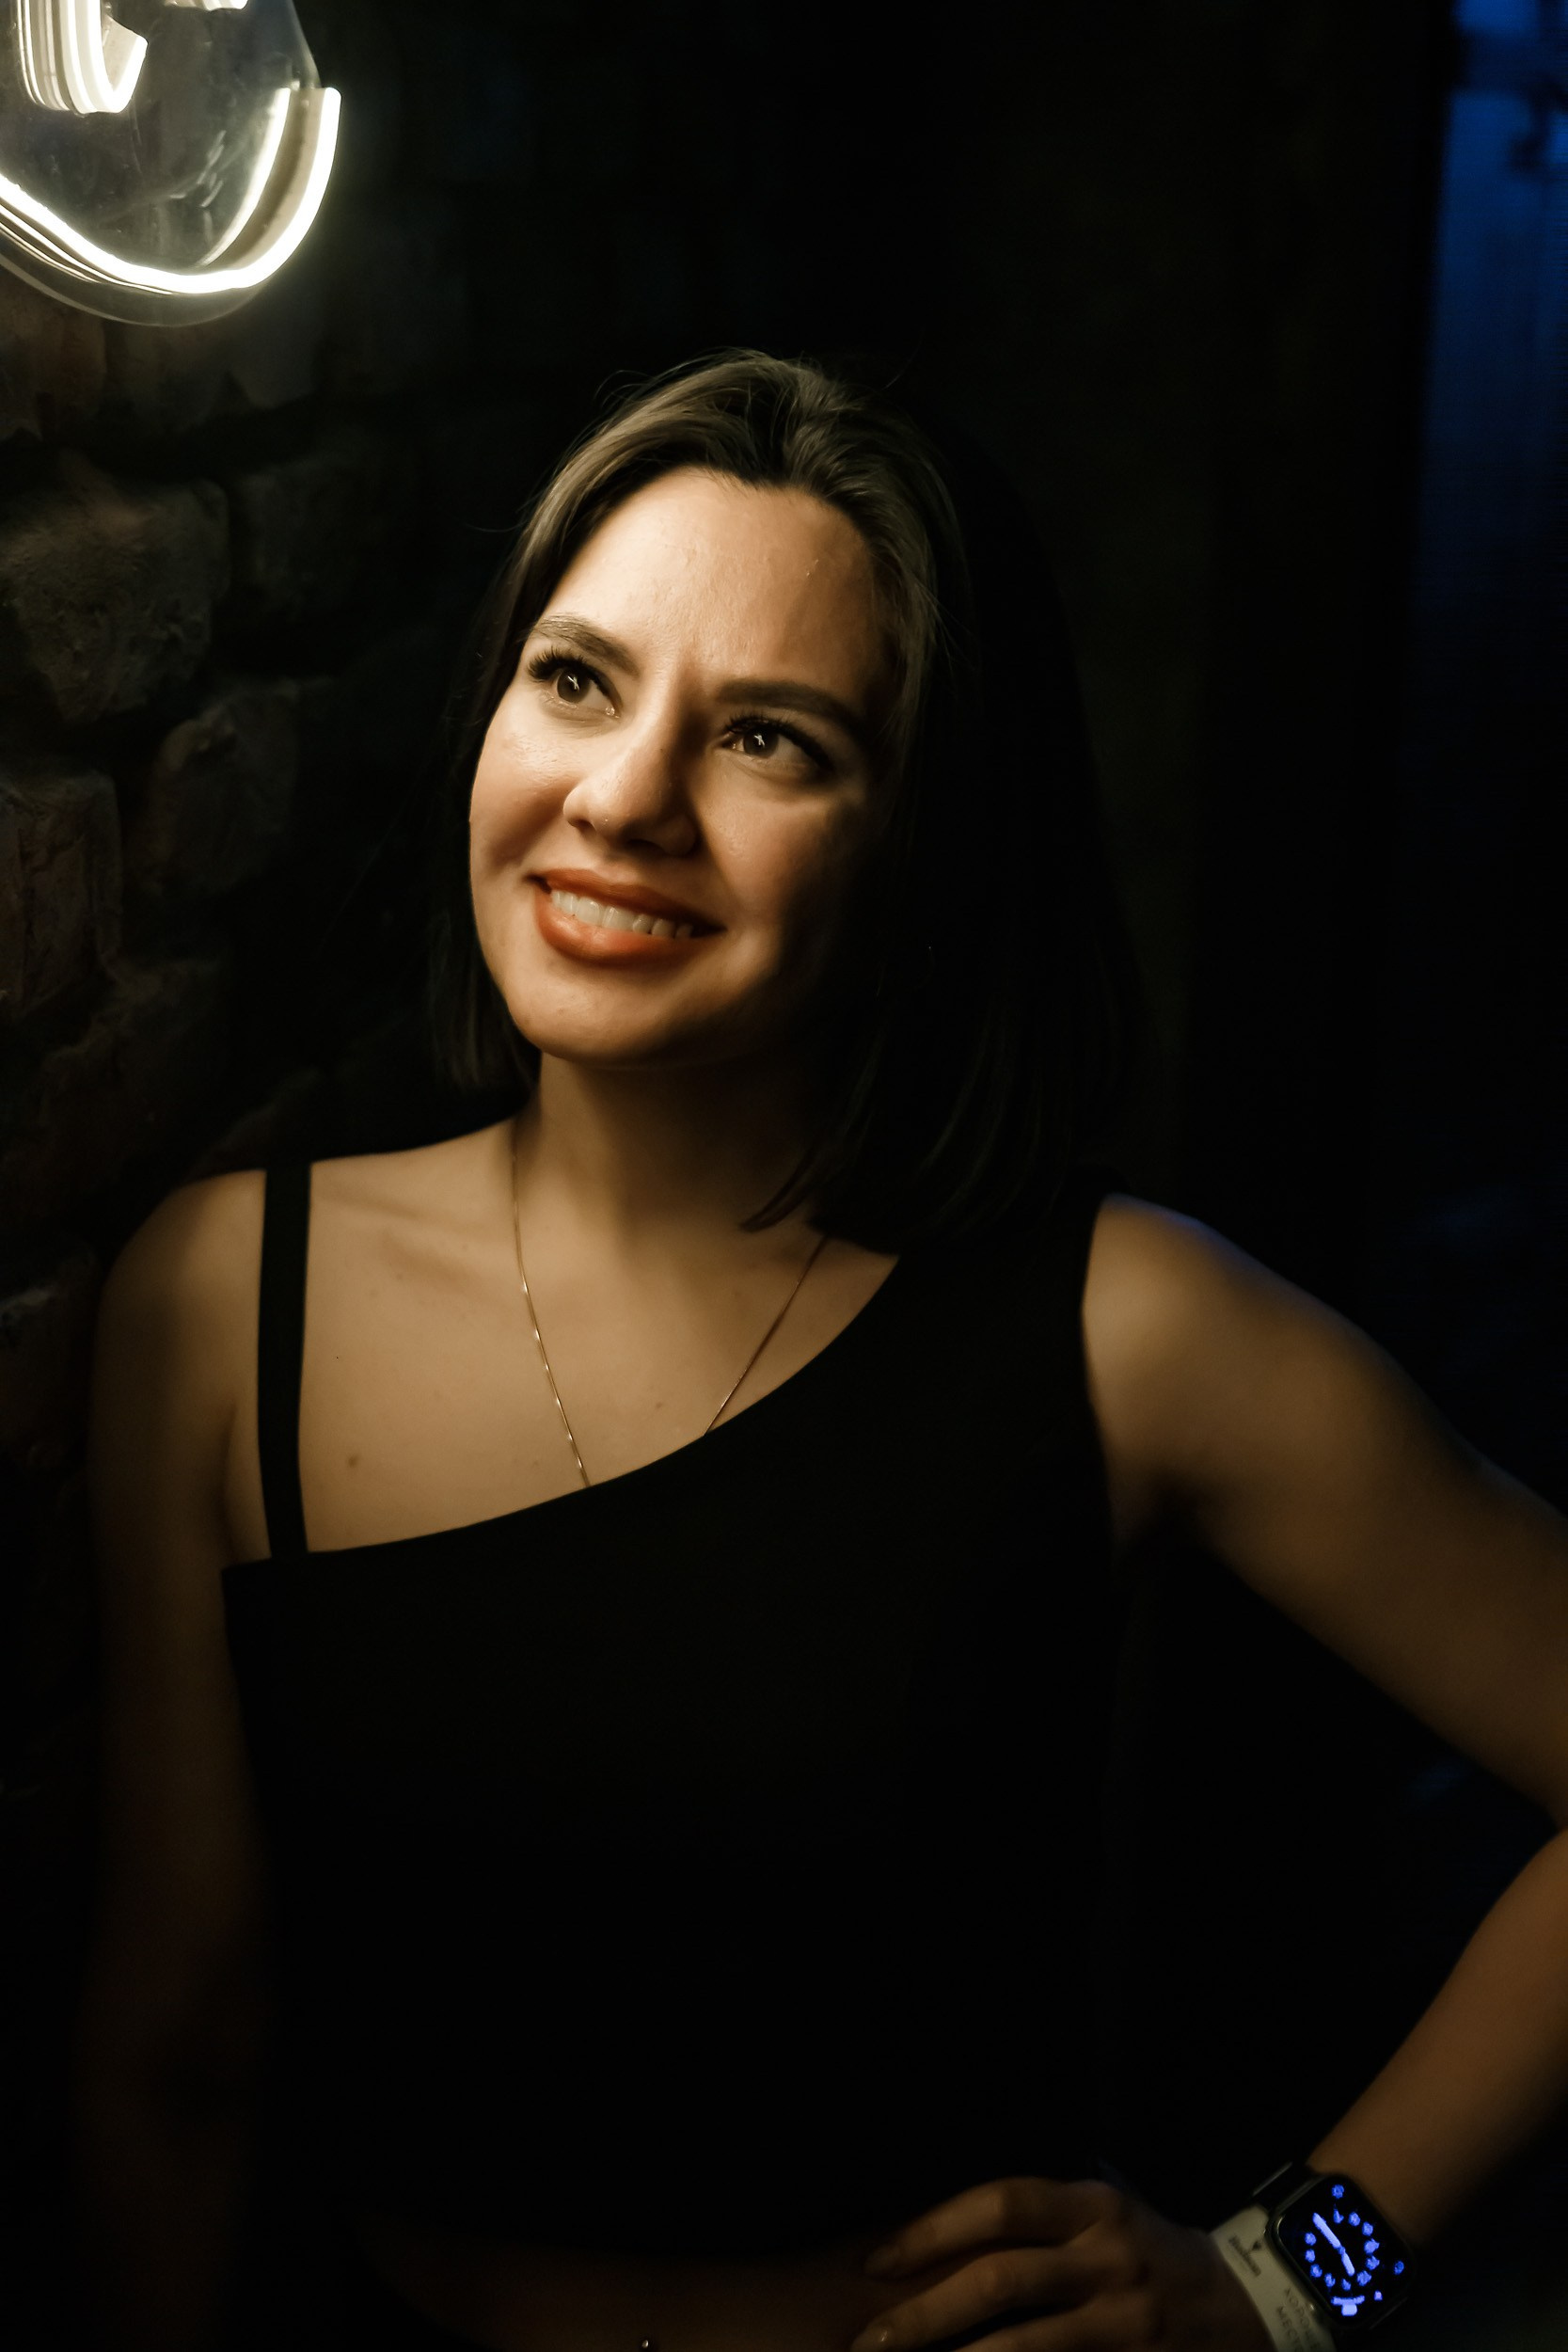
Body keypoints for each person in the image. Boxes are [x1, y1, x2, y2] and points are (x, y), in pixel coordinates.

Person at [78, 353, 1568, 2352]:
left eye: (768, 737)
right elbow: (174, 2053)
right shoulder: (220, 1307)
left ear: (920, 841)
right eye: (577, 679)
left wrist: (1297, 2282)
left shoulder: (1131, 1332)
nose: (625, 799)